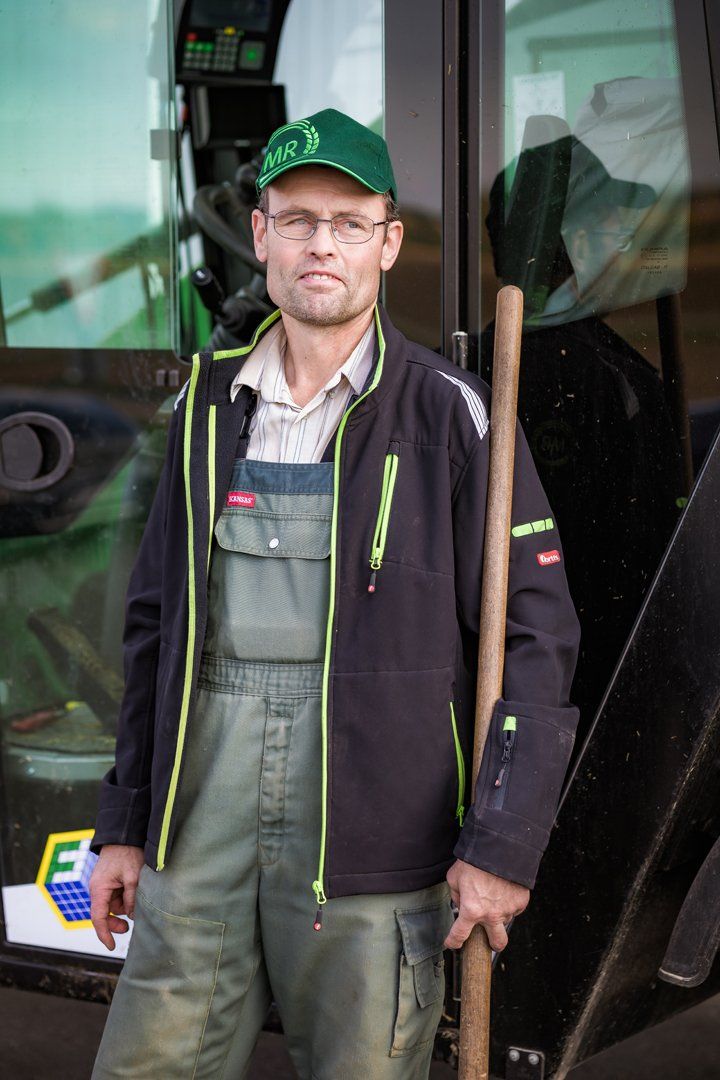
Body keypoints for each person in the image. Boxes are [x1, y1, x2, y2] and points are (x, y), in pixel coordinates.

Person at [89, 108, 580, 1079]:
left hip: (377, 841)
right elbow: (156, 625)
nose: (324, 243)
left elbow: (539, 633)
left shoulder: (455, 416)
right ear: (261, 234)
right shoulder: (205, 405)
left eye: (351, 222)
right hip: (201, 826)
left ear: (388, 243)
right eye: (299, 218)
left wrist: (502, 843)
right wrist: (124, 823)